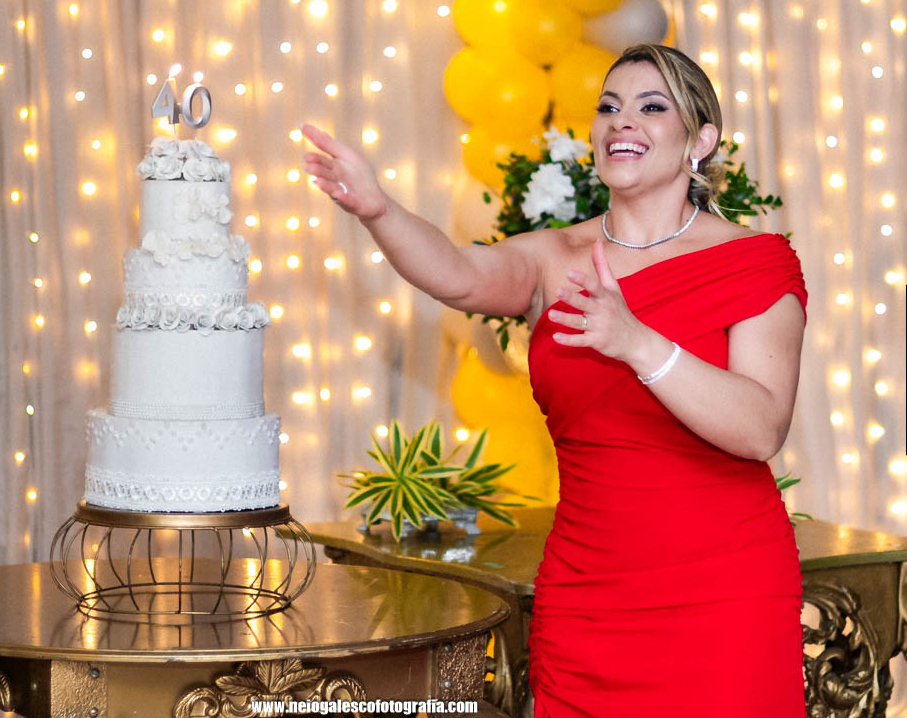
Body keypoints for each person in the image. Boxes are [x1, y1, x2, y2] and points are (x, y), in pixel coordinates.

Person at [302, 43, 807, 717]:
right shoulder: (555, 256)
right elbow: (457, 274)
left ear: (701, 141)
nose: (622, 121)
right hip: (588, 593)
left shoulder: (752, 260)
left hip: (724, 593)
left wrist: (637, 342)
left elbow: (761, 427)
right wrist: (379, 210)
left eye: (651, 107)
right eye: (609, 107)